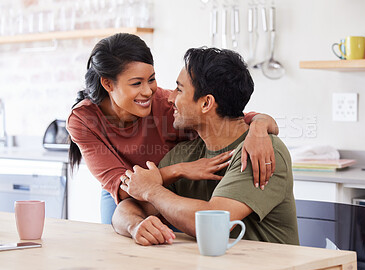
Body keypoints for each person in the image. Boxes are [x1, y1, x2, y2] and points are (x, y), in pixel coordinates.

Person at [66, 33, 280, 224]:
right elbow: (123, 189)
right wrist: (180, 170)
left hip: (169, 188)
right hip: (126, 190)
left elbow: (223, 116)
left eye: (151, 80)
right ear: (108, 84)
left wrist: (259, 127)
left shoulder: (167, 106)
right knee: (120, 242)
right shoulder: (84, 119)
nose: (148, 91)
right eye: (136, 83)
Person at [112, 47, 299, 246]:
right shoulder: (184, 153)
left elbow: (213, 224)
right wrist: (135, 226)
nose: (170, 98)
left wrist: (152, 190)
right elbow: (125, 211)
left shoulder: (262, 152)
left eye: (179, 89)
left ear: (206, 103)